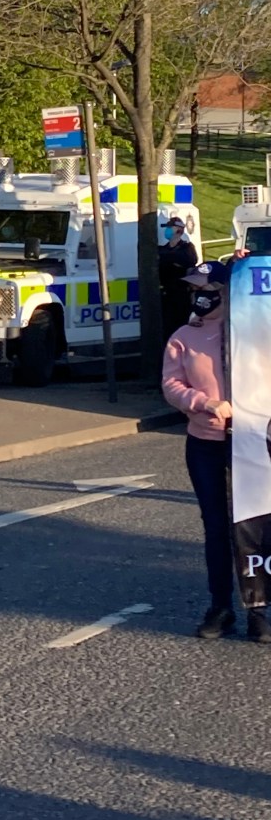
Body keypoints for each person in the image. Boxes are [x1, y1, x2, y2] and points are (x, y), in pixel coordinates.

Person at [162, 259, 271, 643]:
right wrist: (202, 402)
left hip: (255, 444)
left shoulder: (258, 331)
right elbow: (171, 384)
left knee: (255, 528)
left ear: (227, 292)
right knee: (216, 528)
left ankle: (259, 610)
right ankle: (220, 607)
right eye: (195, 291)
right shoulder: (184, 337)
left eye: (207, 290)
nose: (198, 297)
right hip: (206, 444)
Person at [158, 215, 198, 343]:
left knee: (180, 326)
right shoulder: (162, 249)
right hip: (165, 294)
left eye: (170, 228)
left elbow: (189, 262)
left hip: (181, 295)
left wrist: (170, 259)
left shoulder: (186, 248)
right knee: (166, 328)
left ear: (179, 230)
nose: (167, 230)